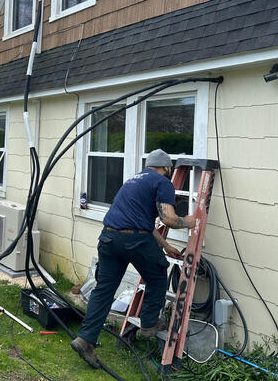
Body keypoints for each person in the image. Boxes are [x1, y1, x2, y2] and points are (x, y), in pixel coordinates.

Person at [71, 149, 197, 368]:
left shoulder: (132, 181)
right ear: (166, 168)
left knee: (104, 290)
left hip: (110, 238)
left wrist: (165, 245)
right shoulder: (162, 182)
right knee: (157, 275)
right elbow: (168, 218)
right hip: (134, 241)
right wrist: (188, 222)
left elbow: (141, 222)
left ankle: (85, 339)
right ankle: (149, 325)